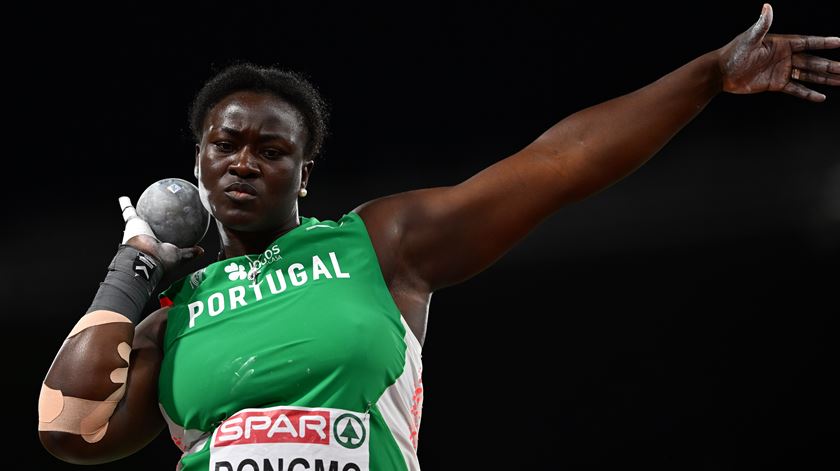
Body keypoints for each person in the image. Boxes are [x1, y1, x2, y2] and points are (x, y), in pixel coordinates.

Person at [37, 4, 838, 470]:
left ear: (305, 173)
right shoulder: (175, 315)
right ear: (199, 160)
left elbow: (556, 165)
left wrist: (703, 78)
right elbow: (70, 428)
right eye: (224, 144)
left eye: (271, 149)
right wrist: (138, 259)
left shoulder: (379, 244)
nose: (243, 162)